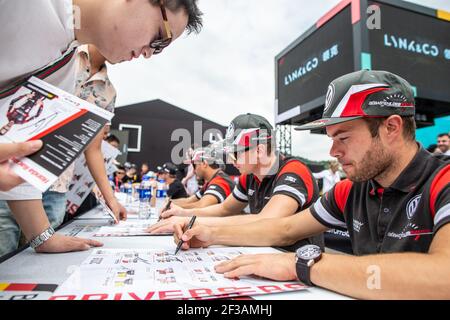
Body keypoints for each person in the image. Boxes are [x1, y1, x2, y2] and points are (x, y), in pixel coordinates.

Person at [172, 70, 450, 299]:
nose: (332, 152)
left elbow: (443, 277)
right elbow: (285, 229)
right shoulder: (351, 189)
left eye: (343, 137)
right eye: (330, 138)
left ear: (391, 127)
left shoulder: (442, 180)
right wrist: (209, 232)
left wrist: (302, 263)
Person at [0, 0, 203, 255]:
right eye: (160, 38)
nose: (150, 53)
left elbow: (23, 158)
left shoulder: (63, 72)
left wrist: (42, 238)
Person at [149, 113, 322, 251]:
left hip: (297, 263)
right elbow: (224, 209)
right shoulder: (249, 176)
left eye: (235, 153)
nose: (231, 161)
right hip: (266, 253)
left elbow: (267, 221)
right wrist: (183, 215)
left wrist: (194, 222)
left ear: (260, 150)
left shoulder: (293, 170)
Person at [165, 147, 234, 211]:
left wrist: (169, 206)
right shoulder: (212, 180)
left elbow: (201, 206)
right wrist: (169, 202)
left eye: (194, 165)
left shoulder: (220, 181)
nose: (194, 171)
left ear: (204, 163)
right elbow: (190, 200)